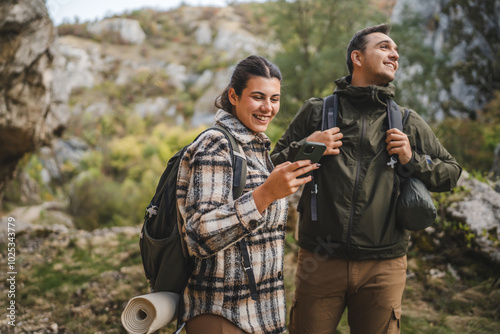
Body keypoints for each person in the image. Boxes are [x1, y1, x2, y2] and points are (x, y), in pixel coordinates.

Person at [270, 24, 462, 334]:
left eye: (395, 50)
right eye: (385, 47)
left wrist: (413, 160)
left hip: (384, 266)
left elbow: (451, 173)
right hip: (319, 261)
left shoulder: (407, 120)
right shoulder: (316, 112)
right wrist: (309, 147)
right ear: (357, 57)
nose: (395, 54)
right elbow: (269, 168)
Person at [176, 55, 319, 334]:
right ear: (233, 95)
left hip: (261, 314)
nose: (268, 107)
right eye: (258, 97)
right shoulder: (215, 144)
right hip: (222, 314)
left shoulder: (256, 148)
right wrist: (266, 194)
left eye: (274, 99)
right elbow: (199, 234)